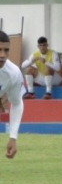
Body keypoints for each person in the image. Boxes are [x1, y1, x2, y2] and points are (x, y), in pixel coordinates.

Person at [0, 30, 24, 159]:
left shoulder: (14, 73)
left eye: (6, 50)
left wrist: (13, 137)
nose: (2, 55)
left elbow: (17, 104)